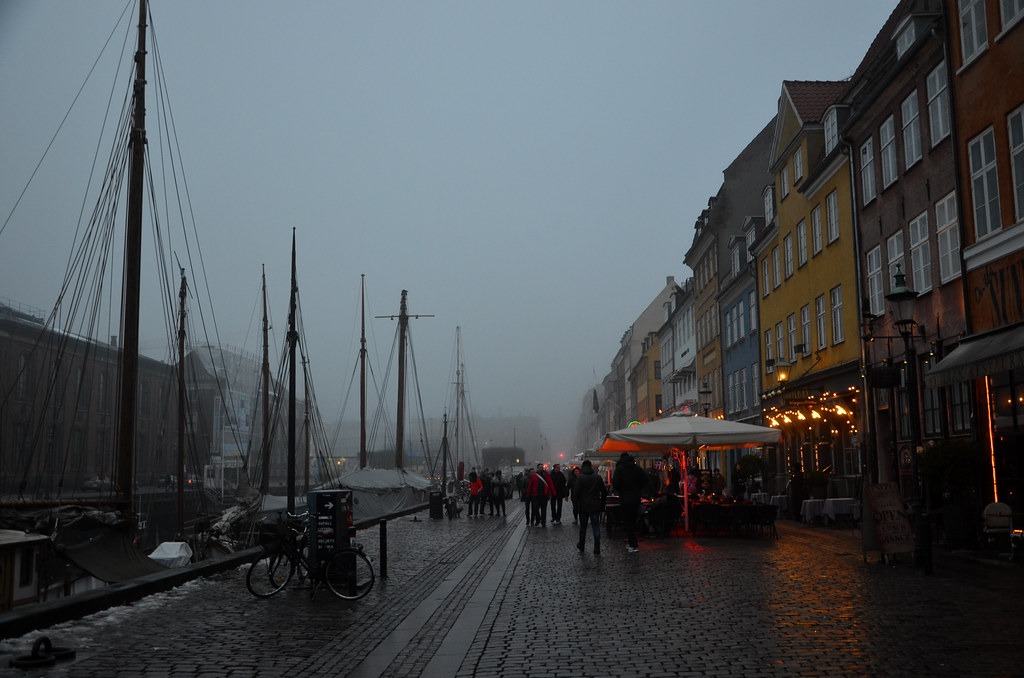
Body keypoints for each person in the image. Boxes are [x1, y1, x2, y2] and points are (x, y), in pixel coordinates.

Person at [612, 452, 648, 553]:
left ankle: (632, 544)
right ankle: (633, 543)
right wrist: (638, 489)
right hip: (636, 498)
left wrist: (622, 490)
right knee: (633, 520)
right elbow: (645, 480)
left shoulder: (620, 469)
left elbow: (615, 483)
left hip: (625, 498)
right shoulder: (637, 468)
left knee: (628, 522)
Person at [575, 459, 607, 555]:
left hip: (583, 506)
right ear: (591, 466)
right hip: (595, 506)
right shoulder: (597, 477)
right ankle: (597, 548)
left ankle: (582, 545)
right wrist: (602, 504)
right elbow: (604, 492)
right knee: (596, 527)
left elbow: (576, 493)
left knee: (583, 528)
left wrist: (577, 505)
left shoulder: (580, 478)